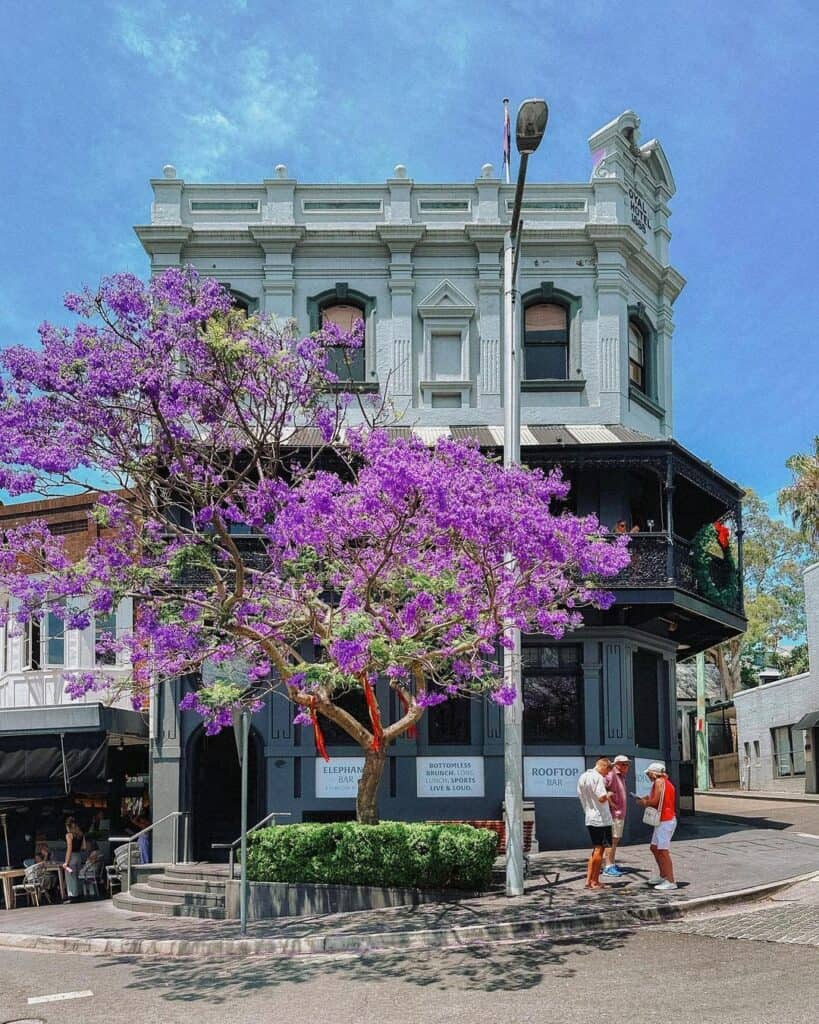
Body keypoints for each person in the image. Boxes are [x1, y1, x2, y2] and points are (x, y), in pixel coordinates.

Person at [636, 761, 677, 891]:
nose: (648, 776)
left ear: (654, 774)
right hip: (665, 819)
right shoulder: (666, 782)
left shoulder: (659, 782)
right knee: (655, 848)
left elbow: (655, 801)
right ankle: (663, 875)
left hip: (665, 820)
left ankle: (670, 880)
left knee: (663, 850)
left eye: (648, 774)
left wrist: (644, 802)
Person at [576, 757, 613, 890]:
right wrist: (609, 794)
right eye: (607, 771)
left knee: (595, 849)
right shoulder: (597, 778)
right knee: (600, 849)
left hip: (590, 816)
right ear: (604, 767)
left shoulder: (583, 777)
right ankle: (594, 881)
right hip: (601, 818)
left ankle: (588, 880)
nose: (607, 775)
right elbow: (602, 798)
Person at [602, 754, 630, 876]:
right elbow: (601, 788)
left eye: (627, 764)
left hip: (619, 813)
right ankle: (608, 866)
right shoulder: (612, 774)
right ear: (616, 764)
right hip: (614, 813)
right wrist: (611, 803)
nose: (626, 766)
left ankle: (611, 863)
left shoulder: (621, 776)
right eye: (623, 764)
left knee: (615, 840)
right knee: (612, 840)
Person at [62, 816, 84, 902]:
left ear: (68, 826)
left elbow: (69, 849)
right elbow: (83, 847)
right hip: (79, 856)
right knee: (77, 876)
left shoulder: (69, 835)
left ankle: (72, 896)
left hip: (72, 857)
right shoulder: (80, 834)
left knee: (70, 877)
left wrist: (66, 862)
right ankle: (78, 893)